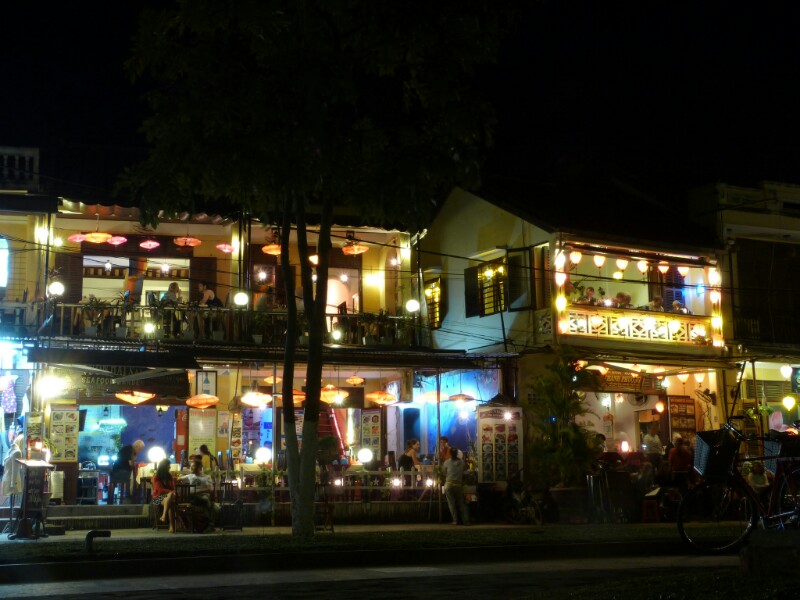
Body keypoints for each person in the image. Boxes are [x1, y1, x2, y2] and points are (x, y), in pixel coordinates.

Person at [179, 459, 217, 532]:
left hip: (203, 496)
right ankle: (210, 525)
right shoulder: (189, 476)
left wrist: (197, 491)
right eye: (191, 466)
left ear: (199, 466)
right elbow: (177, 480)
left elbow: (210, 489)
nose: (191, 468)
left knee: (208, 502)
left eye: (193, 466)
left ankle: (209, 525)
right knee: (209, 503)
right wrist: (180, 481)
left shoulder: (206, 477)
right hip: (192, 498)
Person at [109, 439, 144, 505]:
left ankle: (132, 497)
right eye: (140, 449)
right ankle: (129, 497)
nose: (140, 451)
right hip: (119, 471)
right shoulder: (128, 450)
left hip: (120, 470)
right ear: (137, 447)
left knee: (134, 476)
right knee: (133, 477)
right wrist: (136, 464)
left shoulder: (131, 450)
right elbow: (130, 463)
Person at [443, 446, 471, 525]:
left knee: (451, 504)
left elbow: (444, 472)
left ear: (450, 454)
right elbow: (464, 471)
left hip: (449, 485)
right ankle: (466, 520)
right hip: (458, 485)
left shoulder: (447, 462)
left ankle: (455, 520)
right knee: (461, 503)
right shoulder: (462, 462)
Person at [152, 458, 177, 533]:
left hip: (168, 498)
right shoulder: (156, 477)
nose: (169, 467)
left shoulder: (169, 477)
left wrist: (171, 493)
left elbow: (173, 488)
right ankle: (171, 526)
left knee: (170, 500)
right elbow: (159, 490)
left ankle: (163, 515)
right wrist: (170, 492)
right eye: (168, 466)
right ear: (164, 467)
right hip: (157, 499)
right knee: (170, 502)